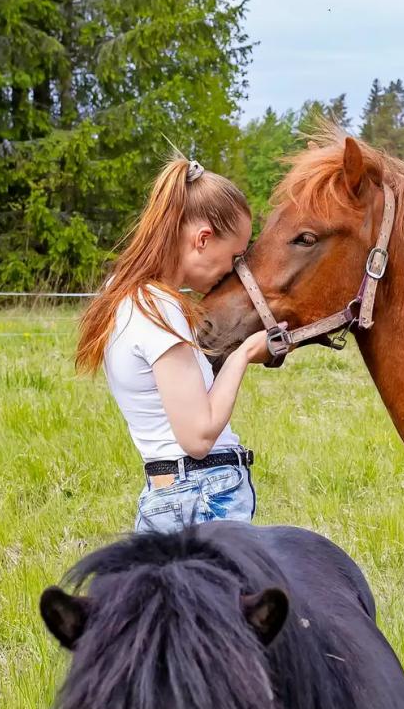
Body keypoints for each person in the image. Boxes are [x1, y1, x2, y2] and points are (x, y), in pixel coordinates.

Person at [76, 155, 269, 532]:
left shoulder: (122, 296)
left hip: (168, 494)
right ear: (202, 239)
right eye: (233, 257)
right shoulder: (159, 307)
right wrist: (244, 353)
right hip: (204, 494)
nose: (232, 271)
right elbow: (198, 435)